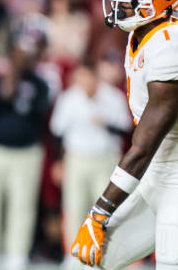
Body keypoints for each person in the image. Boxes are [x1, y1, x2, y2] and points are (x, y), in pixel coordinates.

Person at [70, 0, 178, 270]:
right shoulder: (140, 34)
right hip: (154, 179)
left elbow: (145, 143)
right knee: (90, 259)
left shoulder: (176, 44)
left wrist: (101, 208)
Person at [0, 19, 50, 270]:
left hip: (26, 152)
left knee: (22, 205)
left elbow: (39, 114)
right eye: (18, 52)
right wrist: (10, 79)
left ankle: (17, 252)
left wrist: (17, 81)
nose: (22, 58)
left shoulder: (40, 83)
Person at [49, 63, 131, 268]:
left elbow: (126, 128)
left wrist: (106, 123)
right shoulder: (69, 98)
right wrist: (58, 162)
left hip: (105, 159)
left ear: (95, 77)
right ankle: (73, 255)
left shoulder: (113, 97)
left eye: (87, 78)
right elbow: (57, 132)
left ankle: (102, 254)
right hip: (76, 158)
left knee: (105, 209)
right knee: (73, 205)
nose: (84, 83)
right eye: (80, 78)